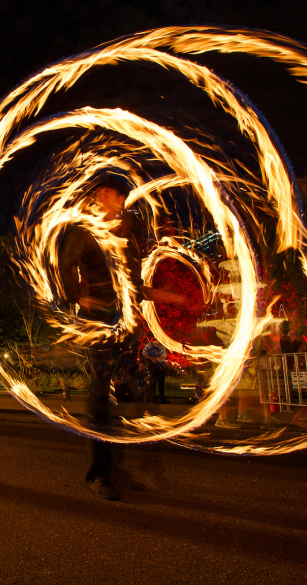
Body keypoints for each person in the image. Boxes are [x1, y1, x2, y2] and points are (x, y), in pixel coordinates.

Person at [59, 176, 184, 501]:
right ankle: (99, 474)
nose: (106, 196)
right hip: (98, 322)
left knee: (133, 387)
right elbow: (65, 262)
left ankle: (117, 465)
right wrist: (77, 296)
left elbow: (133, 286)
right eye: (102, 192)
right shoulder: (85, 231)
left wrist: (168, 297)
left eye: (111, 191)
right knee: (100, 392)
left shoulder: (129, 236)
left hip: (124, 323)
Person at [142, 339, 167, 404]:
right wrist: (152, 358)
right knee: (153, 382)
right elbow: (144, 353)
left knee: (161, 383)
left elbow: (164, 356)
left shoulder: (162, 346)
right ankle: (153, 398)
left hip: (160, 365)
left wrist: (157, 358)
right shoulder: (150, 345)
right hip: (152, 365)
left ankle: (161, 398)